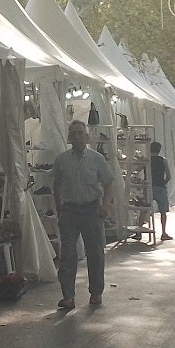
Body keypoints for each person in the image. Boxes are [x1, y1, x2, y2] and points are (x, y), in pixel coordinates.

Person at [50, 120, 117, 309]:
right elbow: (56, 184)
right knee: (68, 254)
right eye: (74, 133)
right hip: (70, 211)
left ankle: (96, 292)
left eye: (81, 133)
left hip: (92, 210)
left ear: (87, 136)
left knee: (95, 252)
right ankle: (68, 296)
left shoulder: (96, 159)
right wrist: (59, 208)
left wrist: (106, 205)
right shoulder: (61, 160)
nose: (77, 136)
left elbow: (108, 182)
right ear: (69, 137)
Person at [148, 141, 173, 241]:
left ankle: (138, 232)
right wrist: (163, 183)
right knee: (163, 211)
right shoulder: (163, 160)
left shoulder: (147, 160)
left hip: (149, 187)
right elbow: (169, 176)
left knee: (144, 209)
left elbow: (138, 169)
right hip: (160, 187)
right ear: (159, 150)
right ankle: (163, 232)